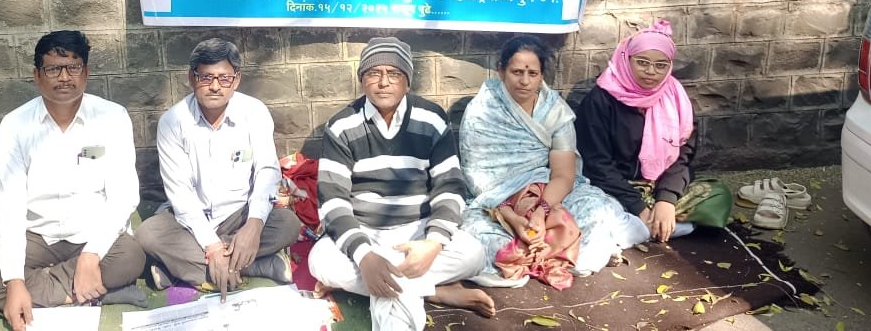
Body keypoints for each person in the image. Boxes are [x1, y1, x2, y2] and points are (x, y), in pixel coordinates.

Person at [0, 31, 145, 331]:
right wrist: (14, 281)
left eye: (73, 67)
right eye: (53, 69)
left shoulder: (112, 117)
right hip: (37, 236)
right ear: (37, 76)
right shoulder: (16, 125)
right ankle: (89, 292)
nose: (64, 77)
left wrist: (91, 255)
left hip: (92, 234)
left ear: (86, 72)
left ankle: (62, 285)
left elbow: (123, 196)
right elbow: (10, 205)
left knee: (131, 257)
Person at [308, 37, 494, 331]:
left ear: (407, 81)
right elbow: (333, 201)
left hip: (418, 231)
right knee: (320, 261)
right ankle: (436, 292)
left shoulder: (431, 118)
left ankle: (384, 281)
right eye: (374, 73)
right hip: (365, 231)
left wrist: (433, 244)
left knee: (474, 254)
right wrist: (365, 257)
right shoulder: (341, 125)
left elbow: (450, 186)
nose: (383, 82)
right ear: (362, 80)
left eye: (393, 73)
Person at [459, 35, 643, 289]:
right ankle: (559, 252)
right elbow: (478, 179)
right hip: (497, 203)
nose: (525, 81)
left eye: (532, 73)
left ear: (542, 76)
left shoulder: (555, 111)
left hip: (548, 192)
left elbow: (564, 174)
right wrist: (512, 216)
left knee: (595, 209)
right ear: (501, 71)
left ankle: (539, 256)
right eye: (516, 72)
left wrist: (541, 211)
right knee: (483, 239)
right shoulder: (482, 111)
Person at [136, 38, 300, 300]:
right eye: (206, 77)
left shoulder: (254, 112)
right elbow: (181, 194)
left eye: (224, 78)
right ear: (192, 78)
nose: (215, 86)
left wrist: (254, 226)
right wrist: (212, 247)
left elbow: (267, 171)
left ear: (236, 80)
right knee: (148, 234)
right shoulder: (173, 121)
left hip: (239, 214)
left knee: (288, 224)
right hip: (190, 221)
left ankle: (180, 270)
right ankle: (257, 266)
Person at [574, 20, 731, 243]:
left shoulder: (675, 98)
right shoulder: (601, 100)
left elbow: (682, 157)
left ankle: (647, 226)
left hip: (657, 186)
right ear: (626, 59)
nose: (651, 72)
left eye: (660, 65)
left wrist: (666, 200)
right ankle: (654, 225)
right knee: (595, 209)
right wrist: (638, 206)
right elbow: (596, 164)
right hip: (613, 188)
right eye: (642, 62)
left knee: (718, 195)